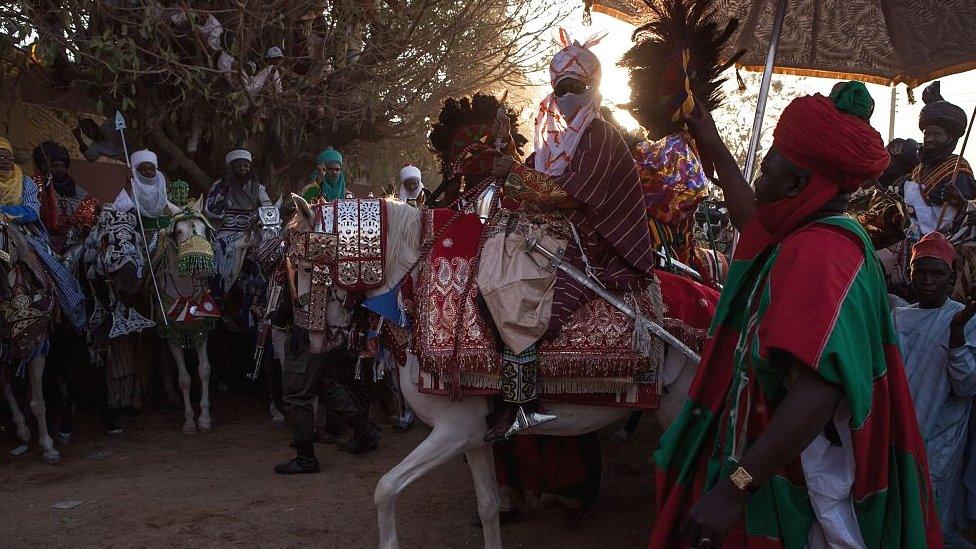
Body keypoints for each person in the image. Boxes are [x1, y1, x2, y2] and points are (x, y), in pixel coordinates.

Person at [649, 85, 942, 548]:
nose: (760, 181)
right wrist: (711, 141)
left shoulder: (820, 253)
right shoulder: (810, 228)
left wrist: (734, 488)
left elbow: (817, 392)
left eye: (768, 169)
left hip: (803, 483)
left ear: (800, 184)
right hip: (779, 467)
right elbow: (754, 220)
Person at [487, 31, 657, 441]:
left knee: (522, 297)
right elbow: (532, 177)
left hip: (597, 247)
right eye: (559, 88)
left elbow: (565, 196)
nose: (564, 96)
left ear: (592, 89)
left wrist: (512, 173)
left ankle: (524, 403)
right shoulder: (558, 143)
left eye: (573, 87)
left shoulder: (599, 135)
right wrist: (506, 162)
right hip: (558, 238)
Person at [894, 231, 976, 547]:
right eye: (921, 272)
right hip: (900, 431)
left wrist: (956, 333)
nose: (928, 281)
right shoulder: (898, 316)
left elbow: (967, 385)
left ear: (950, 276)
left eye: (937, 273)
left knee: (933, 520)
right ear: (910, 274)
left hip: (940, 437)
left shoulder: (965, 319)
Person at [204, 148, 273, 298]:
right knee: (220, 249)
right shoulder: (219, 186)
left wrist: (260, 221)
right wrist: (224, 191)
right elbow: (209, 210)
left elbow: (270, 213)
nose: (243, 168)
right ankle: (217, 293)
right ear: (231, 168)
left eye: (246, 165)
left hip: (251, 233)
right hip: (226, 230)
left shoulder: (259, 188)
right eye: (239, 165)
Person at [32, 140, 98, 256]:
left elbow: (91, 219)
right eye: (54, 165)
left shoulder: (79, 192)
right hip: (41, 243)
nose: (58, 169)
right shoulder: (34, 186)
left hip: (74, 248)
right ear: (44, 166)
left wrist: (78, 221)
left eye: (61, 166)